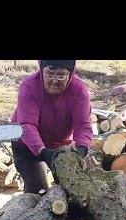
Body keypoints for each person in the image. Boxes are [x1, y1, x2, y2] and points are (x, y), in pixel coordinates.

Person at [11, 60, 93, 193]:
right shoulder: (29, 87)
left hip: (60, 144)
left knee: (72, 189)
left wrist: (81, 149)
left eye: (61, 75)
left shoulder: (79, 90)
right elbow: (27, 125)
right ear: (42, 70)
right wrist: (42, 151)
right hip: (25, 142)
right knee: (38, 189)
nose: (55, 80)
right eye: (49, 74)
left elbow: (83, 125)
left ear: (70, 74)